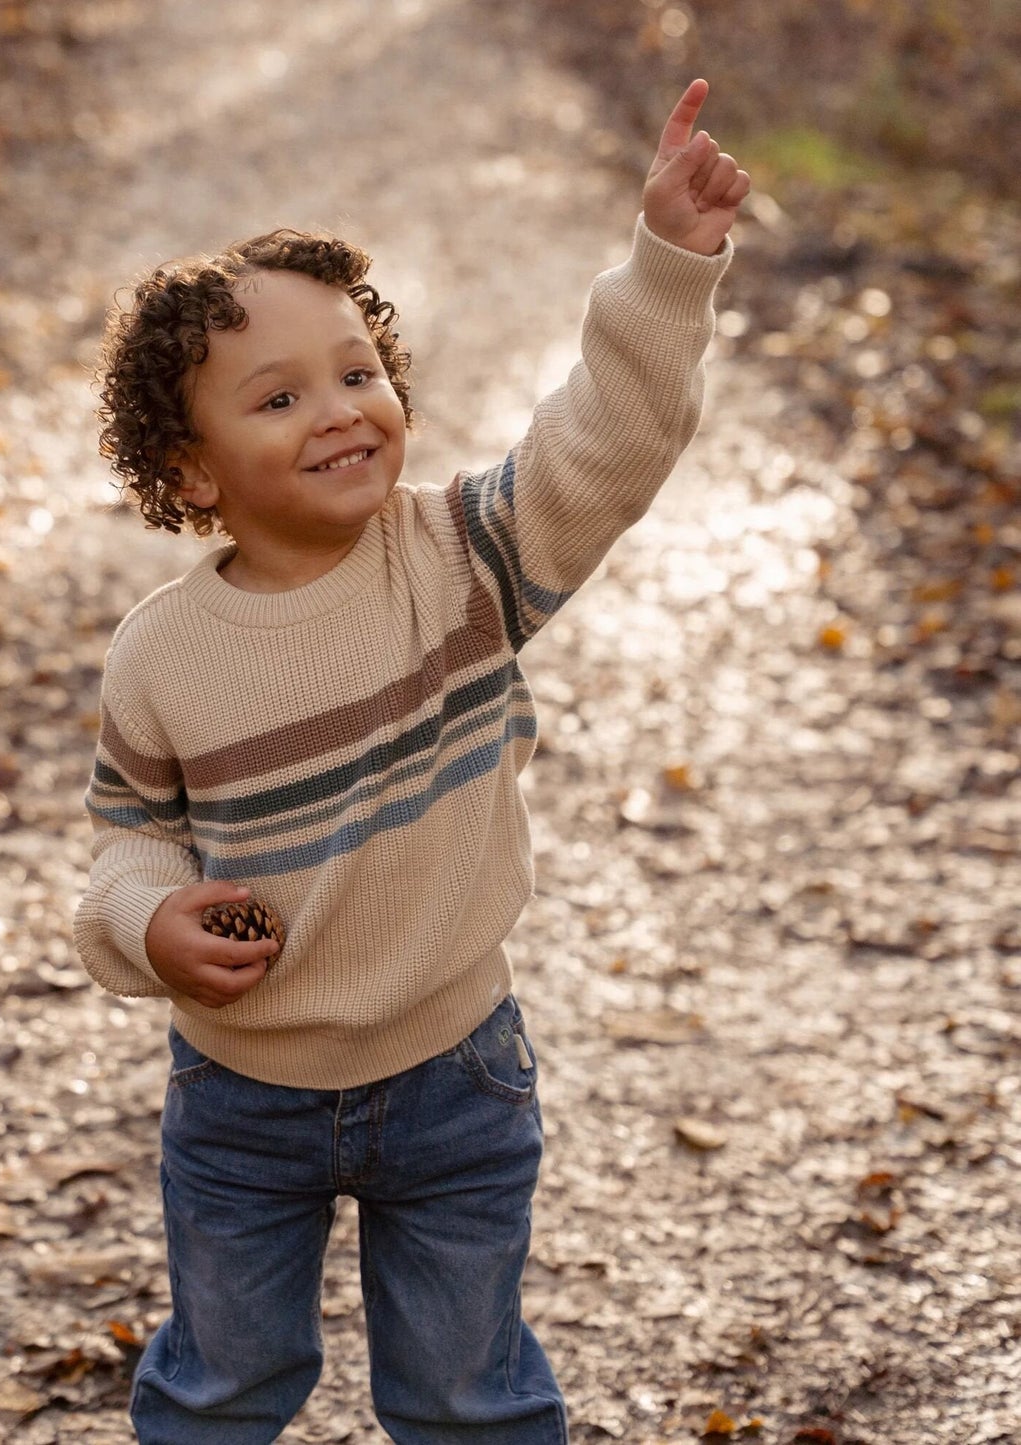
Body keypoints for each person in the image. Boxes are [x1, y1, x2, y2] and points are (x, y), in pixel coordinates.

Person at [73, 78, 749, 1445]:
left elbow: (604, 448)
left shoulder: (464, 559)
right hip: (239, 1092)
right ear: (189, 470)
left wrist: (665, 269)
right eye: (276, 395)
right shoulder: (162, 654)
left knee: (461, 1392)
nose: (338, 409)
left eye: (357, 372)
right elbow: (128, 836)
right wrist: (146, 920)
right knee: (219, 1381)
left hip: (453, 1068)